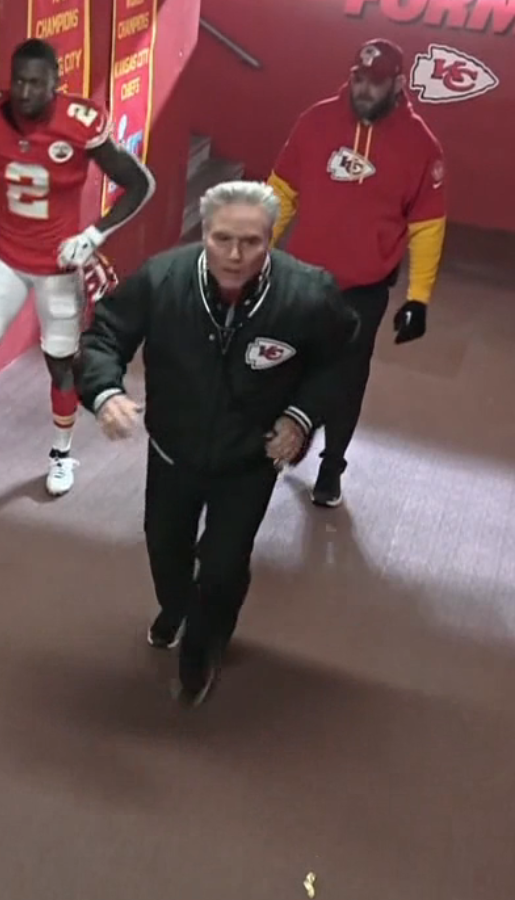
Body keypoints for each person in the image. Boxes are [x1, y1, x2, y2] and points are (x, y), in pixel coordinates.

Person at [75, 180, 360, 706]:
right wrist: (105, 391)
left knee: (225, 565)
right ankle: (178, 607)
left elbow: (340, 361)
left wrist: (301, 417)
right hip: (172, 450)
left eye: (251, 242)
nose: (235, 254)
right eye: (222, 238)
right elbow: (104, 336)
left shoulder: (307, 293)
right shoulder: (162, 279)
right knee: (165, 547)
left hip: (249, 461)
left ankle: (201, 651)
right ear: (203, 233)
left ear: (271, 239)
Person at [0, 38, 155, 508]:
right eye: (19, 81)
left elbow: (140, 184)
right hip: (6, 258)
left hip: (59, 267)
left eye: (36, 83)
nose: (25, 92)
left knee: (61, 362)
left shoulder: (79, 123)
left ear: (57, 83)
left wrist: (95, 235)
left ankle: (61, 454)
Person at [265, 38, 448, 508]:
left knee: (346, 379)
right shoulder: (316, 121)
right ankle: (278, 443)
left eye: (377, 82)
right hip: (300, 280)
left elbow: (427, 227)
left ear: (399, 84)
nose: (365, 90)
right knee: (279, 364)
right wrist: (251, 252)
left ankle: (331, 467)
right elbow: (281, 194)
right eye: (359, 79)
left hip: (362, 292)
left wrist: (418, 298)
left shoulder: (421, 146)